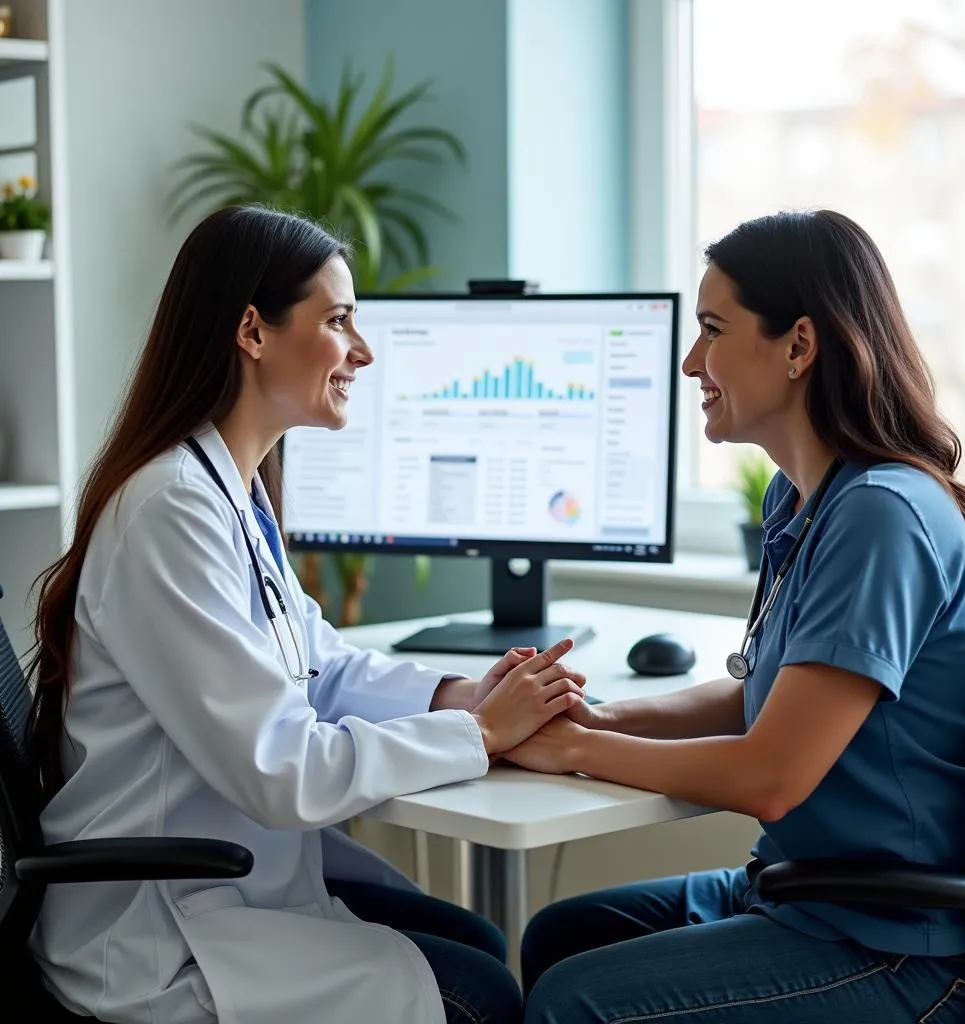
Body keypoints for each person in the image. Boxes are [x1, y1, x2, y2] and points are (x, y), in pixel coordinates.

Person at [26, 205, 587, 1024]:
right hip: (160, 929)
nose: (362, 351)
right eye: (338, 321)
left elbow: (316, 661)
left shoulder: (230, 487)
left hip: (229, 884)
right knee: (482, 995)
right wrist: (481, 736)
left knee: (472, 942)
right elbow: (277, 767)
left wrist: (457, 698)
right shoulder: (171, 509)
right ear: (253, 331)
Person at [510, 210, 965, 1024]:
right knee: (563, 935)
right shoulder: (805, 500)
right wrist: (601, 716)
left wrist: (581, 751)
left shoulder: (882, 515)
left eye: (711, 330)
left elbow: (771, 775)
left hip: (895, 942)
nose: (690, 361)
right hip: (805, 892)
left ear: (800, 346)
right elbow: (762, 695)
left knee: (573, 1002)